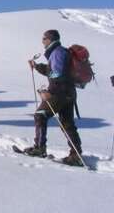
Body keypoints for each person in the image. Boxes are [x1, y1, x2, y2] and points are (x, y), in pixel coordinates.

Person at [25, 29, 83, 166]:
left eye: (44, 39)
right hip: (69, 93)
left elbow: (56, 74)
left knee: (40, 115)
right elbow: (54, 71)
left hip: (59, 93)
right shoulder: (62, 51)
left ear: (50, 39)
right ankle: (76, 154)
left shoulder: (57, 53)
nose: (42, 41)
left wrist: (49, 91)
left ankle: (40, 148)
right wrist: (37, 66)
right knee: (67, 124)